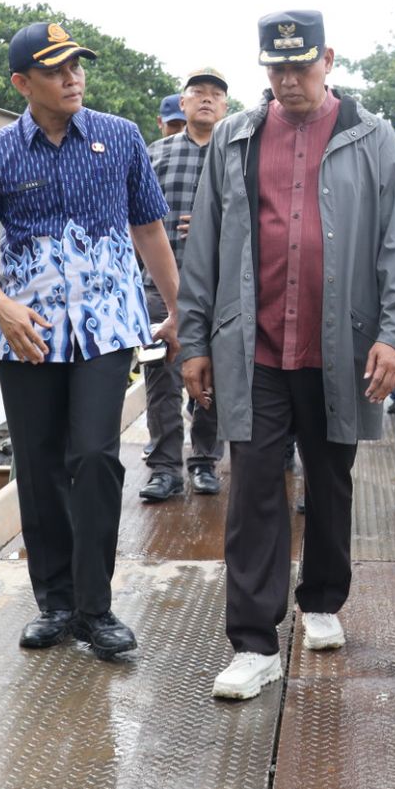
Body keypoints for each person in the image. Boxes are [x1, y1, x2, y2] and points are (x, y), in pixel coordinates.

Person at [179, 10, 395, 701]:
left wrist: (394, 334)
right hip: (252, 345)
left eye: (301, 66)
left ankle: (321, 598)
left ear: (328, 60)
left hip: (339, 345)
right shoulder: (234, 137)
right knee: (253, 485)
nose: (288, 80)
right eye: (277, 68)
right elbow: (206, 250)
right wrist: (194, 340)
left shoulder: (371, 139)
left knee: (330, 476)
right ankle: (253, 643)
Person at [0, 21, 179, 660]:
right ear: (23, 83)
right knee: (40, 464)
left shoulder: (121, 137)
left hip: (106, 327)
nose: (73, 77)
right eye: (55, 70)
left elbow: (149, 228)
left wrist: (181, 307)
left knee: (95, 457)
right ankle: (53, 603)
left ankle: (96, 608)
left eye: (77, 65)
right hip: (30, 334)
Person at [138, 67, 232, 501]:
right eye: (198, 92)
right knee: (161, 379)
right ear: (183, 101)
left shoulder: (237, 156)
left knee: (214, 377)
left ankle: (204, 461)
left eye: (216, 94)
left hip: (220, 287)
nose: (207, 99)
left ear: (226, 106)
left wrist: (219, 227)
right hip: (160, 284)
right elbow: (133, 219)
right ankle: (163, 468)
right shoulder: (154, 153)